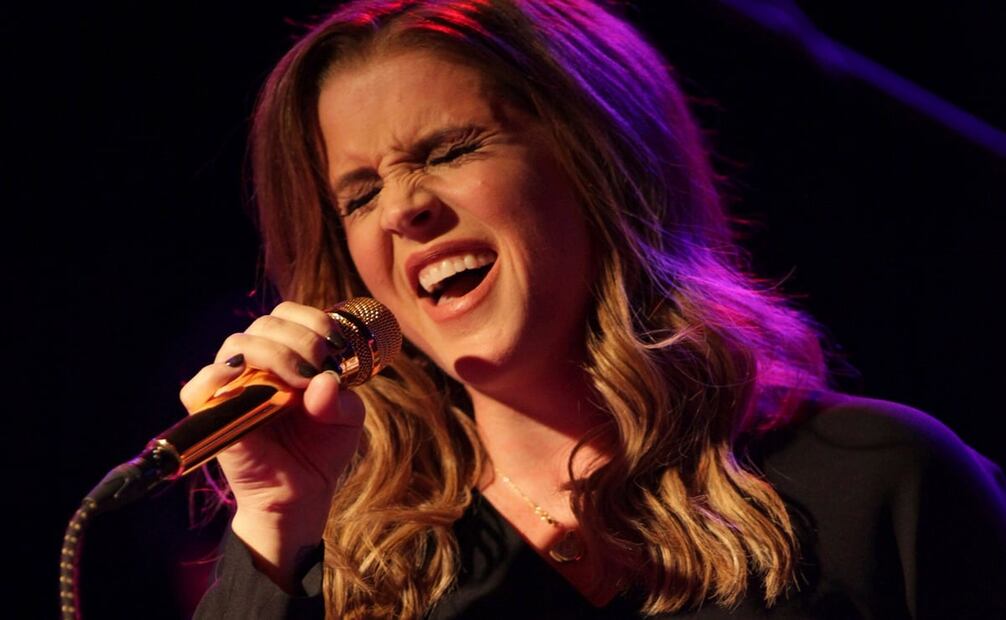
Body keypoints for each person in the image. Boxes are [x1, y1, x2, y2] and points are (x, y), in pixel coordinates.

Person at [184, 0, 1006, 617]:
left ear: (602, 162)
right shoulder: (348, 579)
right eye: (361, 195)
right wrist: (274, 519)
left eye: (452, 149)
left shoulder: (875, 481)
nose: (404, 209)